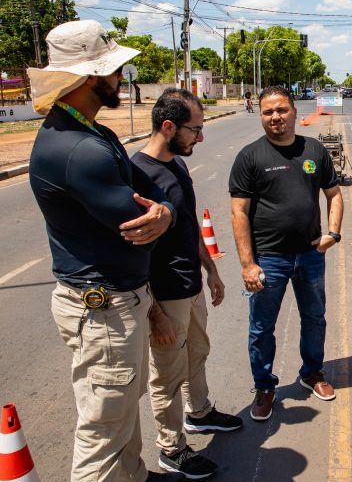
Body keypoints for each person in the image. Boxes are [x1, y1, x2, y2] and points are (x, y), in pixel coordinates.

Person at [28, 20, 182, 482]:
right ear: (90, 77)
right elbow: (140, 220)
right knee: (102, 430)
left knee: (121, 413)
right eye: (114, 70)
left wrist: (167, 213)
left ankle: (133, 475)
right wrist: (163, 216)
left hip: (118, 301)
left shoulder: (95, 134)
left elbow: (155, 194)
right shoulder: (79, 149)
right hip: (103, 309)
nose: (122, 78)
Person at [131, 89, 243, 480]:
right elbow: (134, 254)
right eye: (195, 129)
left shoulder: (177, 165)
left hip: (190, 285)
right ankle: (171, 449)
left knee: (198, 351)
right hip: (164, 296)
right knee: (166, 375)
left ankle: (200, 413)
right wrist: (155, 313)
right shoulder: (138, 176)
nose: (200, 137)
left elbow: (189, 224)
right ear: (168, 126)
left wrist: (210, 270)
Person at [229, 85, 344, 421]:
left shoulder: (315, 150)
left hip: (310, 256)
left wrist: (332, 234)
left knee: (315, 318)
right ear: (261, 115)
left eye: (281, 110)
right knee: (262, 326)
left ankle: (312, 373)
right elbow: (238, 212)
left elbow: (334, 194)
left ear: (294, 111)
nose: (275, 117)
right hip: (269, 259)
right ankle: (265, 385)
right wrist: (248, 264)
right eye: (268, 112)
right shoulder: (250, 157)